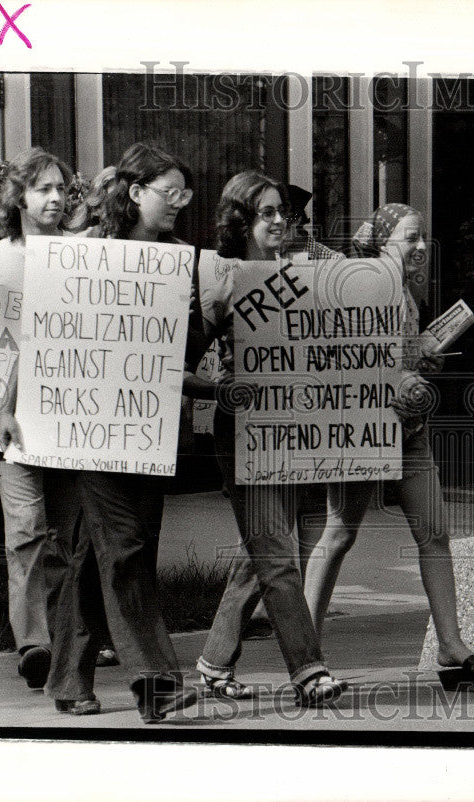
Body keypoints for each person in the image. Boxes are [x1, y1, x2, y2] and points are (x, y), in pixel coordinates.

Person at [29, 142, 204, 722]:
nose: (180, 202)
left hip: (146, 428)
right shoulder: (83, 255)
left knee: (101, 553)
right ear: (135, 194)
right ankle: (157, 684)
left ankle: (67, 679)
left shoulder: (179, 262)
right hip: (85, 431)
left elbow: (181, 355)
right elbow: (41, 336)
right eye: (169, 192)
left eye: (184, 192)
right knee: (124, 546)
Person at [300, 203, 474, 690]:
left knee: (434, 536)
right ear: (383, 242)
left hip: (409, 432)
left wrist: (421, 364)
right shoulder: (354, 283)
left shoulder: (409, 295)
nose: (420, 247)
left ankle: (451, 647)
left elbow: (397, 360)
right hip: (363, 430)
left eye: (423, 238)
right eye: (409, 237)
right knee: (340, 533)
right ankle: (303, 652)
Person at [194, 170, 347, 706]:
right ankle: (308, 670)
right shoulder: (223, 278)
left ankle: (214, 662)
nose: (282, 221)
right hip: (243, 430)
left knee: (266, 549)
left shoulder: (302, 273)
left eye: (284, 211)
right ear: (241, 220)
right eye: (267, 213)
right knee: (279, 553)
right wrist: (217, 385)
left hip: (296, 428)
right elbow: (178, 359)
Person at [0, 147, 81, 691]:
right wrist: (0, 409)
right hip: (13, 422)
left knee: (64, 533)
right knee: (25, 532)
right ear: (20, 196)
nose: (56, 199)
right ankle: (34, 644)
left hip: (70, 419)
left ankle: (69, 640)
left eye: (61, 188)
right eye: (43, 188)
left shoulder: (82, 255)